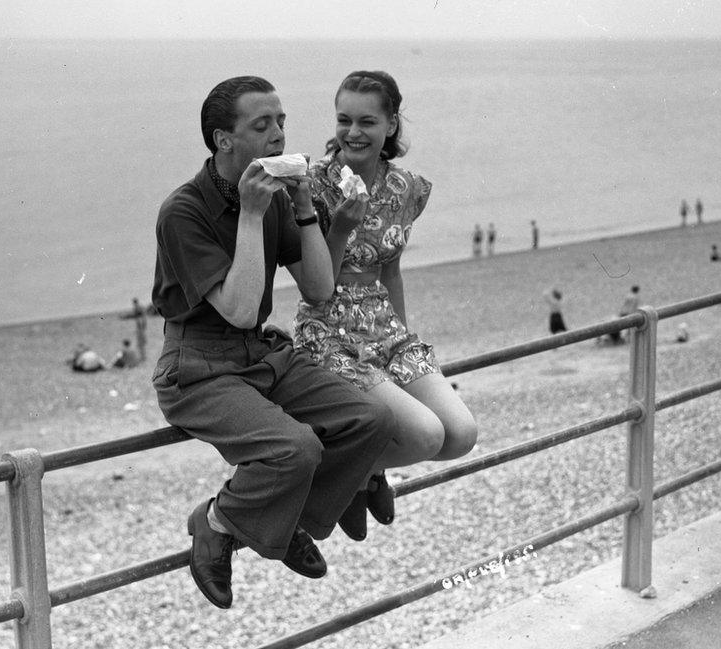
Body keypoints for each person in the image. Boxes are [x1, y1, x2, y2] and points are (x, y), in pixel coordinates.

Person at [151, 76, 395, 609]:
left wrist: (304, 204)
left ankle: (281, 525)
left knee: (369, 420)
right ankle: (215, 521)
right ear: (223, 140)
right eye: (262, 125)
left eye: (281, 121)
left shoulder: (276, 195)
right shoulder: (183, 211)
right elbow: (238, 309)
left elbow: (318, 288)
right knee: (295, 448)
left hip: (259, 353)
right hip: (197, 367)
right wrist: (254, 214)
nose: (278, 135)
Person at [294, 70, 477, 542]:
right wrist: (340, 227)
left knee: (460, 435)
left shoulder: (406, 189)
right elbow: (316, 288)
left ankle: (358, 474)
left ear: (391, 125)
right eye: (343, 120)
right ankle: (335, 481)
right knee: (424, 436)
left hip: (384, 327)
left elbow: (390, 268)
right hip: (329, 328)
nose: (353, 132)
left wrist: (403, 344)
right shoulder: (311, 186)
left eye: (367, 121)